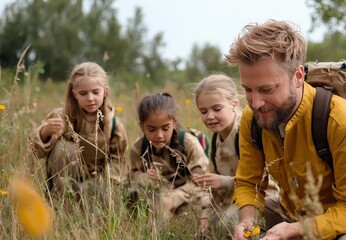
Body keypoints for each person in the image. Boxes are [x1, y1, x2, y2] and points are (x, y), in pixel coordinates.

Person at [225, 20, 346, 240]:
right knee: (228, 220)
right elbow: (249, 182)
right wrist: (248, 220)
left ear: (297, 77)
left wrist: (297, 229)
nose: (255, 102)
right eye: (248, 89)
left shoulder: (341, 120)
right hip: (293, 212)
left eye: (266, 89)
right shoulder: (253, 117)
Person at [192, 73, 281, 238]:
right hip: (230, 203)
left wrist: (222, 182)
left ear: (234, 104)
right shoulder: (215, 140)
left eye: (217, 109)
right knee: (209, 227)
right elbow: (215, 194)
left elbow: (266, 183)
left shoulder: (246, 132)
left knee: (226, 223)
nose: (210, 116)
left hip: (261, 202)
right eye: (203, 111)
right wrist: (205, 218)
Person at [29, 61, 128, 203]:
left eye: (95, 92)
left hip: (97, 185)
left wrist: (107, 184)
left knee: (93, 199)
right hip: (64, 181)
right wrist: (45, 132)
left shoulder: (114, 125)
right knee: (65, 149)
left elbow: (119, 161)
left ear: (105, 91)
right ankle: (61, 204)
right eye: (83, 93)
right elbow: (34, 151)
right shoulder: (61, 117)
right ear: (74, 93)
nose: (90, 98)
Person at [128, 92, 211, 222]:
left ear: (173, 123)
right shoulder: (138, 148)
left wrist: (175, 197)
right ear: (142, 127)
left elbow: (201, 181)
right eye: (151, 129)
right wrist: (143, 177)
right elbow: (131, 176)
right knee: (133, 192)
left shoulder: (189, 143)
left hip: (189, 194)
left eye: (165, 128)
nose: (159, 135)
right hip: (160, 194)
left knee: (207, 205)